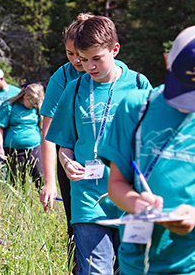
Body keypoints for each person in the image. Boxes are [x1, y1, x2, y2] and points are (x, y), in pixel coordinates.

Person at [99, 25, 195, 274]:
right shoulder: (135, 107)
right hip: (138, 263)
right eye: (184, 87)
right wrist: (137, 203)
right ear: (167, 62)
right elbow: (116, 184)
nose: (190, 103)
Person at [45, 16, 152, 275]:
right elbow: (64, 144)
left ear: (114, 49)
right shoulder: (74, 89)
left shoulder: (139, 86)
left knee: (132, 270)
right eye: (83, 59)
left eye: (96, 58)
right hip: (88, 200)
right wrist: (67, 163)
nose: (89, 66)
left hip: (132, 199)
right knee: (96, 271)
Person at [39, 12, 94, 274]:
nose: (76, 60)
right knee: (77, 226)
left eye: (79, 53)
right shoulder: (62, 78)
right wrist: (50, 181)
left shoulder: (107, 69)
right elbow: (49, 134)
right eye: (69, 53)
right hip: (70, 161)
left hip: (108, 161)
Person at [0, 83, 45, 189]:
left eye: (37, 103)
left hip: (35, 147)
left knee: (40, 178)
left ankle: (46, 202)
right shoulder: (9, 106)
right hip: (14, 150)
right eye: (33, 102)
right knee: (17, 182)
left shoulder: (36, 108)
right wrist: (0, 149)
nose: (34, 105)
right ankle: (18, 203)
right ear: (25, 96)